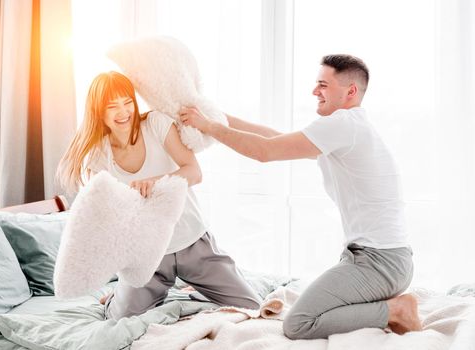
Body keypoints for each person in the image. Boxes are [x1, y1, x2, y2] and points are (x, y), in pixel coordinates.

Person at [179, 54, 422, 339]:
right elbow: (274, 139)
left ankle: (396, 311)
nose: (314, 92)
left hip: (379, 264)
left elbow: (264, 151)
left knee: (298, 324)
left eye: (323, 85)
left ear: (350, 91)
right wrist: (216, 117)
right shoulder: (350, 126)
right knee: (314, 310)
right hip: (387, 261)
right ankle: (389, 307)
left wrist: (210, 127)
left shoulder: (343, 124)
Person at [56, 71, 261, 320]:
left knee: (252, 306)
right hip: (147, 255)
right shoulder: (99, 154)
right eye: (112, 107)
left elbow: (194, 172)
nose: (123, 112)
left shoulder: (155, 123)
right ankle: (116, 296)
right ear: (99, 111)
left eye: (127, 102)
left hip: (192, 241)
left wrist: (155, 184)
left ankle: (193, 287)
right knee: (119, 318)